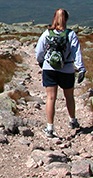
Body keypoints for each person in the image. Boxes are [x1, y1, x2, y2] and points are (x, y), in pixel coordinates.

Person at [35, 9, 86, 138]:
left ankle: (50, 128)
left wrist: (42, 63)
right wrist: (81, 68)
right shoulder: (71, 34)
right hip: (67, 69)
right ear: (67, 19)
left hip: (49, 68)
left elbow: (39, 51)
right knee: (69, 96)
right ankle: (72, 120)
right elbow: (76, 52)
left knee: (51, 98)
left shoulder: (47, 33)